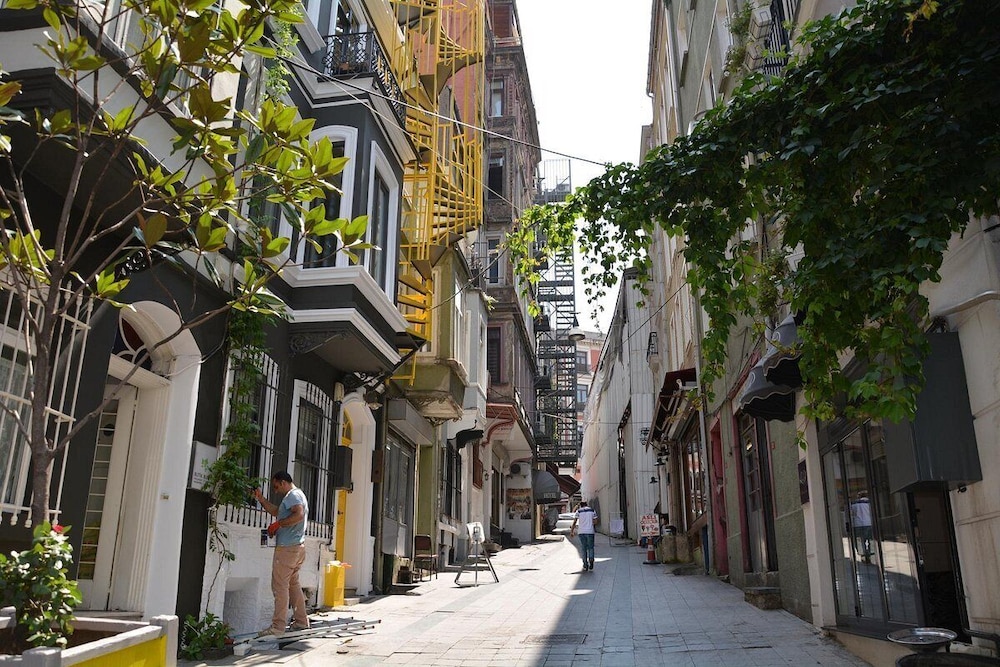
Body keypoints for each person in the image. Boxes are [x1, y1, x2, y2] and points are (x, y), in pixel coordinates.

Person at [252, 471, 310, 638]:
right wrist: (261, 499)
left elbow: (299, 514)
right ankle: (301, 621)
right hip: (297, 548)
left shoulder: (293, 495)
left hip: (287, 549)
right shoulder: (297, 495)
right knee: (293, 584)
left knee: (280, 586)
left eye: (276, 486)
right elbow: (277, 511)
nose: (276, 491)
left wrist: (278, 525)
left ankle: (278, 627)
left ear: (284, 482)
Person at [571, 500, 599, 571]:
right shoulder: (592, 510)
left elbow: (574, 521)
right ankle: (591, 560)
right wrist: (590, 522)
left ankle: (585, 565)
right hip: (590, 532)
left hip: (581, 532)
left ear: (581, 505)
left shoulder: (579, 511)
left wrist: (572, 531)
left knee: (584, 548)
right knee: (591, 547)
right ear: (586, 504)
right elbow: (596, 521)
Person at [849, 491, 873, 563]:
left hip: (857, 524)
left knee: (860, 541)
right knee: (870, 540)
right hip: (868, 523)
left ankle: (863, 555)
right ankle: (869, 553)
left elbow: (851, 514)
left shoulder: (854, 504)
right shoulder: (870, 503)